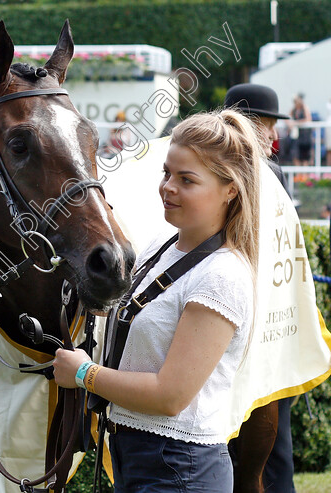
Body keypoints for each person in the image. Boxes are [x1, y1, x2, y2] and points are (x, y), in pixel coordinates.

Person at [53, 109, 263, 492]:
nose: (168, 187)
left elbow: (170, 397)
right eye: (167, 173)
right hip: (138, 457)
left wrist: (85, 375)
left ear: (230, 189)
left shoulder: (222, 275)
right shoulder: (159, 247)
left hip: (180, 468)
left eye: (187, 180)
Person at [224, 83, 296, 492]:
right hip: (262, 319)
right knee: (271, 442)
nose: (273, 136)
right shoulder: (265, 172)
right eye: (267, 126)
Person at [287, 93, 312, 167]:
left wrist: (295, 123)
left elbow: (308, 119)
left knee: (304, 157)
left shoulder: (305, 108)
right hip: (296, 137)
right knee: (295, 155)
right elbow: (287, 117)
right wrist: (290, 123)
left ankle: (304, 176)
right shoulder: (294, 109)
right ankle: (298, 176)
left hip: (304, 136)